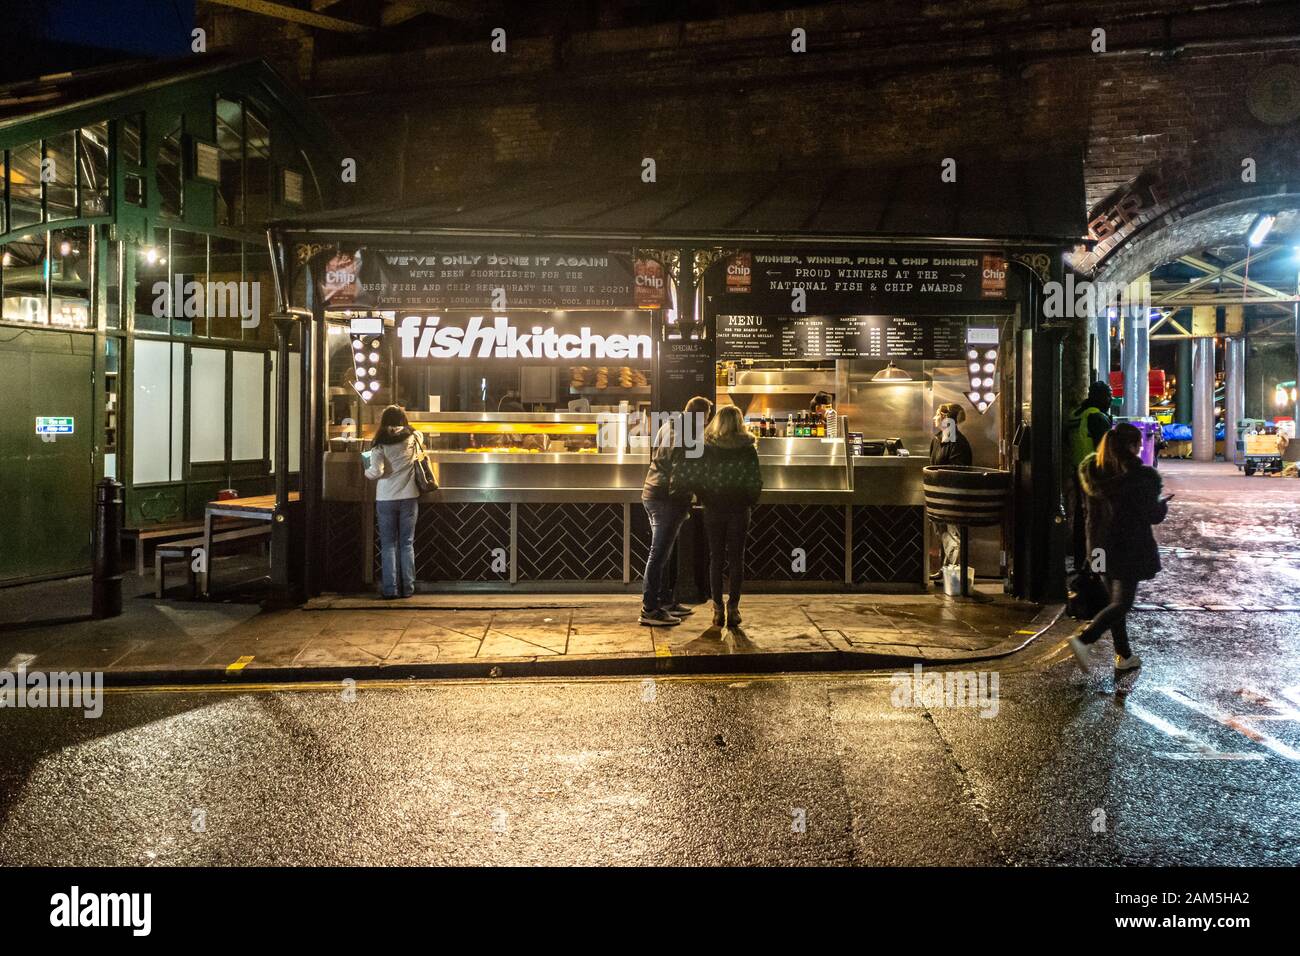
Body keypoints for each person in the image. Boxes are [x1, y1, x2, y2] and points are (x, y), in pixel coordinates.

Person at [1068, 422, 1169, 673]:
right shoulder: (1141, 477)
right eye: (1139, 444)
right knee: (1122, 603)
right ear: (1133, 446)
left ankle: (1124, 655)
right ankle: (1084, 640)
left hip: (1098, 549)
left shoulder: (1093, 470)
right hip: (1127, 548)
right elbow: (1153, 514)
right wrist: (1162, 504)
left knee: (1111, 601)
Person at [639, 395, 713, 626]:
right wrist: (687, 499)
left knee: (663, 553)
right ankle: (650, 609)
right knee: (659, 553)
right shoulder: (686, 435)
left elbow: (657, 457)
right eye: (706, 419)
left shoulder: (668, 426)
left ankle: (664, 601)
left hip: (652, 492)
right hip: (665, 499)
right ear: (701, 416)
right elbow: (679, 474)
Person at [696, 404, 763, 628]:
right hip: (739, 509)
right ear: (739, 423)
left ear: (718, 422)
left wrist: (706, 498)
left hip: (714, 509)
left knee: (715, 558)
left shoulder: (708, 447)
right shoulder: (748, 449)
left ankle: (717, 609)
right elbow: (755, 479)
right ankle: (733, 608)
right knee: (737, 559)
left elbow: (700, 477)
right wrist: (748, 500)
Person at [363, 404, 424, 599]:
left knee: (388, 544)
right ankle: (408, 588)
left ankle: (391, 589)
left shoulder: (379, 444)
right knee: (407, 544)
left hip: (386, 498)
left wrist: (366, 470)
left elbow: (377, 472)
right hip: (409, 496)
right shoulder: (415, 438)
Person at [1066, 380, 1114, 570]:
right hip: (1097, 476)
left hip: (1078, 474)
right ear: (1100, 396)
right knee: (1099, 526)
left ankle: (1081, 562)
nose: (1110, 400)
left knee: (1081, 519)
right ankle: (1097, 567)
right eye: (1108, 396)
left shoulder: (1075, 415)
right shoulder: (1096, 417)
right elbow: (1108, 451)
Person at [928, 402, 973, 581]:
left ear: (946, 418)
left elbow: (958, 469)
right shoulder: (940, 438)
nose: (934, 417)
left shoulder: (955, 441)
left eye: (937, 414)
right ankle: (947, 569)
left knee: (953, 534)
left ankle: (954, 575)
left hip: (952, 496)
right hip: (939, 495)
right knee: (943, 533)